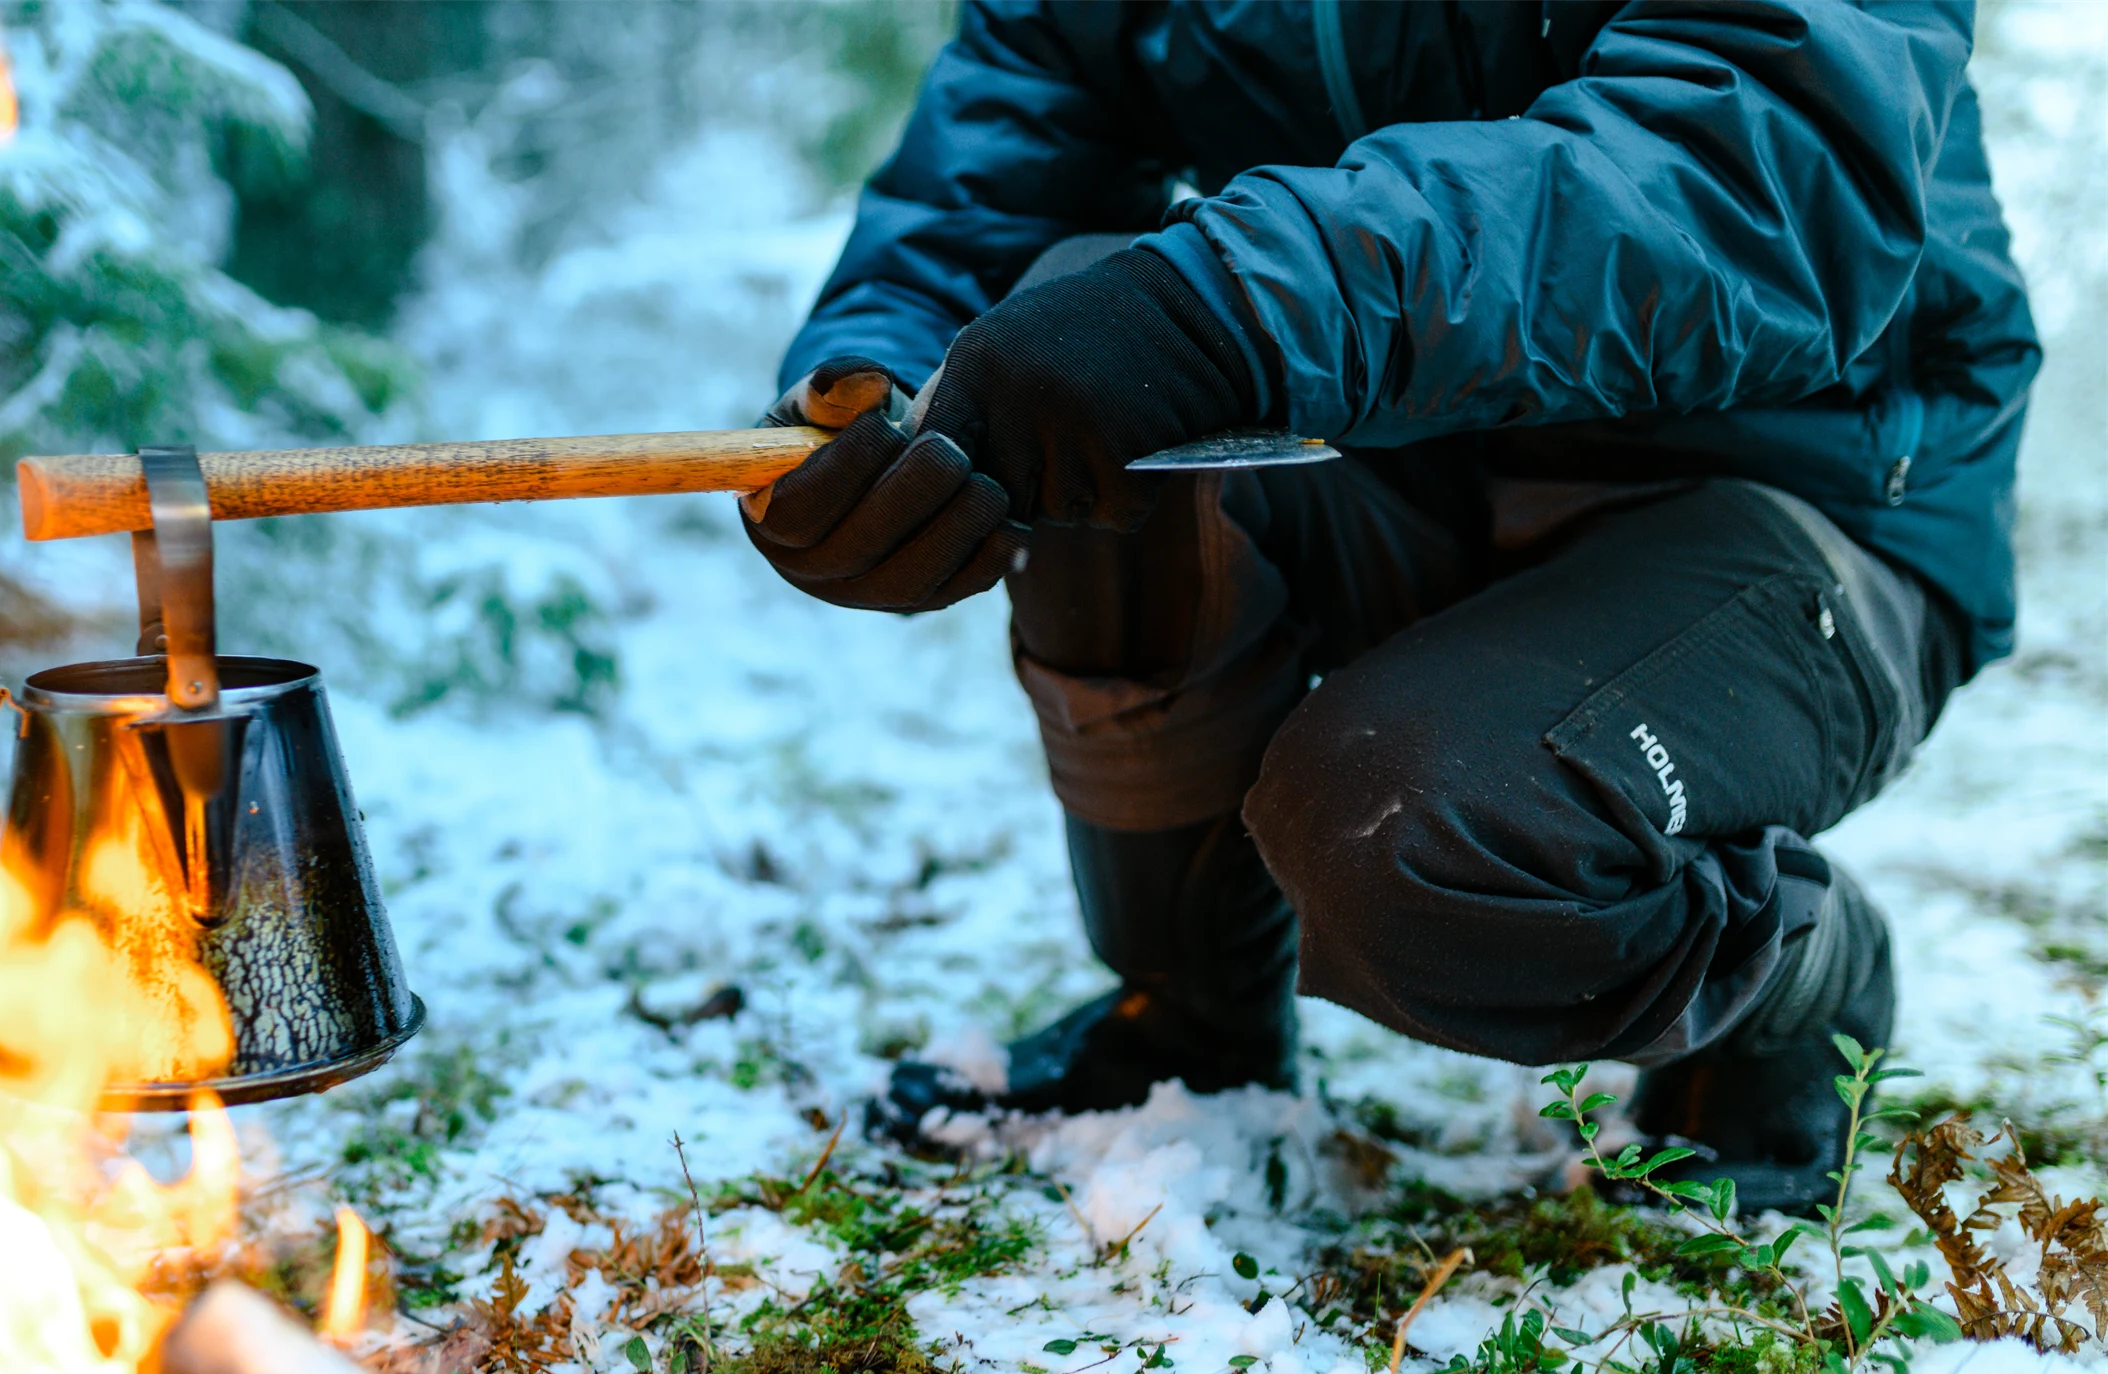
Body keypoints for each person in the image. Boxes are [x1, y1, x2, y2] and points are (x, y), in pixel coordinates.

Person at [741, 0, 2039, 1209]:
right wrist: (879, 412)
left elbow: (1765, 173)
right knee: (1078, 365)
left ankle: (1798, 985)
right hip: (1398, 437)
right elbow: (1013, 137)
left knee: (1410, 828)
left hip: (1795, 490)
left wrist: (1231, 303)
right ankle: (1195, 1020)